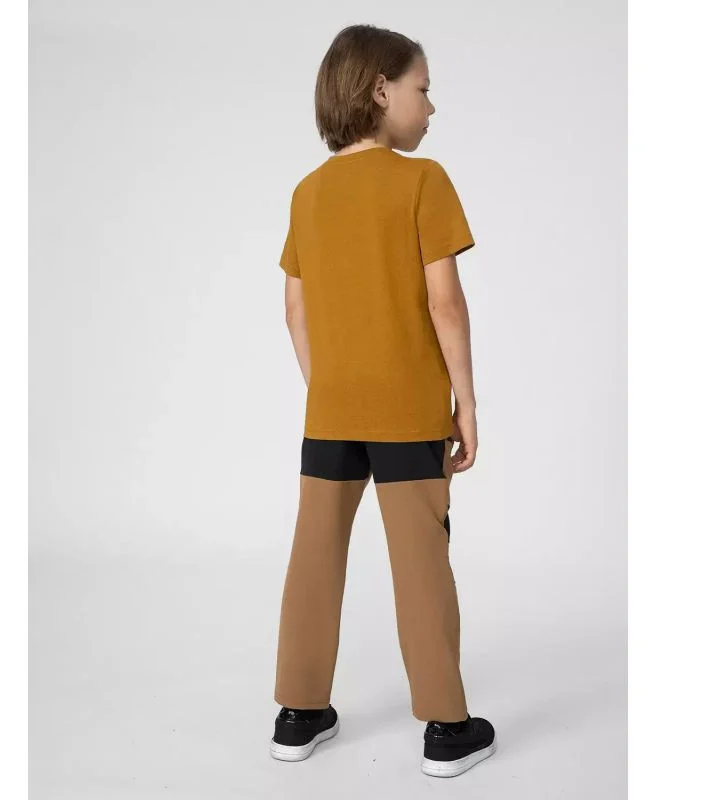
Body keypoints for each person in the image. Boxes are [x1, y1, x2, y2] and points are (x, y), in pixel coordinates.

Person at [269, 24, 497, 779]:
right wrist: (466, 403)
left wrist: (331, 387)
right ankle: (447, 729)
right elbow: (445, 303)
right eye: (422, 88)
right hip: (407, 413)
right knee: (421, 561)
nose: (431, 106)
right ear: (380, 90)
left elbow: (295, 311)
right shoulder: (423, 180)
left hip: (331, 412)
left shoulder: (307, 193)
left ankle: (299, 716)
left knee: (314, 557)